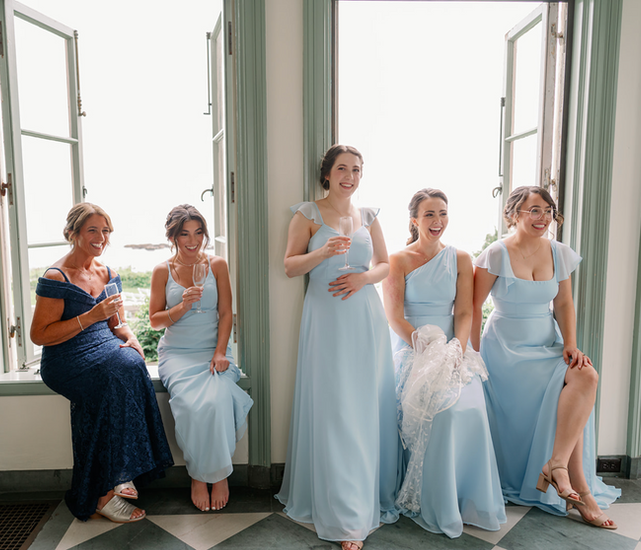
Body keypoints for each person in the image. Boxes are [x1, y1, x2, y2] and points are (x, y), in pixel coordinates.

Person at [471, 186, 620, 528]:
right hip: (505, 349)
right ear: (514, 215)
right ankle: (580, 489)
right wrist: (472, 354)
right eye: (534, 210)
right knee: (568, 388)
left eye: (548, 211)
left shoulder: (560, 252)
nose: (543, 218)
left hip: (547, 342)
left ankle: (557, 466)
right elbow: (474, 306)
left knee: (586, 375)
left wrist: (571, 343)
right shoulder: (495, 253)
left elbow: (564, 303)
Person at [276, 145, 399, 550]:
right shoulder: (307, 214)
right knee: (336, 409)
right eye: (343, 169)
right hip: (326, 321)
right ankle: (345, 516)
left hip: (365, 320)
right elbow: (290, 265)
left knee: (362, 408)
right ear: (326, 173)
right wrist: (322, 251)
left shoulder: (368, 217)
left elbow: (385, 264)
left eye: (357, 170)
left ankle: (363, 499)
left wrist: (365, 280)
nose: (350, 176)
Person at [31, 202, 173, 523]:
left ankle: (118, 477)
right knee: (113, 378)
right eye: (92, 230)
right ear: (73, 233)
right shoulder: (56, 277)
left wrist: (133, 341)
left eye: (105, 231)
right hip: (66, 358)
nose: (101, 237)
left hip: (103, 348)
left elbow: (117, 324)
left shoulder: (107, 273)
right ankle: (106, 490)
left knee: (133, 366)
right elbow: (40, 335)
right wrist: (91, 316)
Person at [382, 188, 506, 538]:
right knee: (441, 411)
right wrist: (424, 346)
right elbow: (394, 316)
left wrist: (455, 349)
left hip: (454, 347)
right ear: (414, 220)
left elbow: (466, 311)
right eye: (429, 215)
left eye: (442, 213)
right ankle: (436, 500)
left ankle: (468, 499)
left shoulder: (462, 259)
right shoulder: (399, 260)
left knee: (468, 407)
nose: (437, 221)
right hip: (413, 347)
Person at [149, 204, 253, 513]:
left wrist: (221, 352)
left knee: (217, 400)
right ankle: (198, 475)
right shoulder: (161, 271)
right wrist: (181, 306)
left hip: (213, 349)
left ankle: (218, 473)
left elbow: (225, 313)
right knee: (193, 406)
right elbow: (155, 321)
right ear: (174, 236)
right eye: (184, 234)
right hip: (177, 354)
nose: (193, 241)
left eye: (198, 233)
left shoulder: (217, 265)